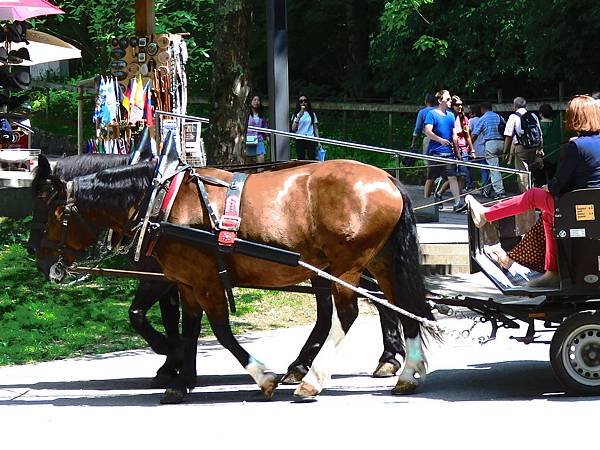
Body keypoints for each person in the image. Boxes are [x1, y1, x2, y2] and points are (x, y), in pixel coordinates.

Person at [466, 95, 600, 288]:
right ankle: (551, 271)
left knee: (532, 195)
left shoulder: (576, 146)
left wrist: (548, 187)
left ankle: (486, 214)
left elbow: (558, 184)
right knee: (547, 216)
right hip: (591, 207)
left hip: (577, 210)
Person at [423, 89, 464, 212]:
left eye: (450, 98)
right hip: (435, 152)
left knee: (452, 177)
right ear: (440, 101)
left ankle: (458, 202)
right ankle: (426, 202)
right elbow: (428, 131)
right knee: (431, 178)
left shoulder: (451, 115)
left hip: (448, 153)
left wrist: (457, 152)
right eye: (448, 99)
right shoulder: (432, 114)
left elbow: (453, 135)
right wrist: (440, 140)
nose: (450, 101)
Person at [503, 96, 545, 191]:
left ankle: (526, 197)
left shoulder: (513, 117)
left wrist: (505, 151)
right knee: (532, 171)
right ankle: (534, 193)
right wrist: (540, 149)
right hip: (534, 147)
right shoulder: (533, 116)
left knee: (522, 173)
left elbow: (508, 136)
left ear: (514, 106)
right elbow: (539, 133)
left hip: (521, 147)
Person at [471, 102, 506, 198]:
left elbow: (475, 134)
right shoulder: (499, 117)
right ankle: (487, 189)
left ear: (482, 109)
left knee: (494, 169)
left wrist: (469, 146)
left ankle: (500, 191)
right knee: (496, 168)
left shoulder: (483, 118)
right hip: (502, 143)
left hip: (490, 143)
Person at [451, 95, 475, 191]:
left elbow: (467, 135)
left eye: (461, 105)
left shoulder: (464, 119)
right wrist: (456, 152)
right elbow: (453, 136)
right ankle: (440, 191)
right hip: (452, 148)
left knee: (463, 173)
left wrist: (472, 150)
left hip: (463, 148)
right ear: (452, 106)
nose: (460, 107)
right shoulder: (450, 118)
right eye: (457, 105)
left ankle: (460, 195)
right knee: (452, 175)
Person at [468, 104, 491, 197]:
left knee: (467, 167)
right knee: (484, 169)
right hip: (484, 147)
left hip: (474, 148)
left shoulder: (471, 121)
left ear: (472, 112)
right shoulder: (483, 120)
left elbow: (468, 133)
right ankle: (485, 187)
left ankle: (469, 184)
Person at [538, 103, 562, 180]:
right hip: (555, 154)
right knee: (553, 177)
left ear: (541, 114)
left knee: (541, 179)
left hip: (542, 155)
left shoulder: (538, 125)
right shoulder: (556, 125)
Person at [291, 95, 319, 160]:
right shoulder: (296, 114)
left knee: (312, 158)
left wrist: (318, 141)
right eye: (301, 101)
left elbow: (315, 128)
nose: (303, 103)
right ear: (299, 103)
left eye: (305, 101)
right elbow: (293, 129)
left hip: (310, 137)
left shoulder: (312, 113)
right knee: (301, 158)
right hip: (299, 137)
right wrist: (299, 116)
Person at [245, 94, 269, 163]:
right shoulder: (247, 115)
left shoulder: (262, 115)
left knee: (261, 160)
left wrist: (267, 137)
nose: (256, 102)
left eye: (258, 100)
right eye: (254, 100)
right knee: (249, 164)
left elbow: (264, 127)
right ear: (251, 102)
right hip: (249, 139)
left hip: (259, 139)